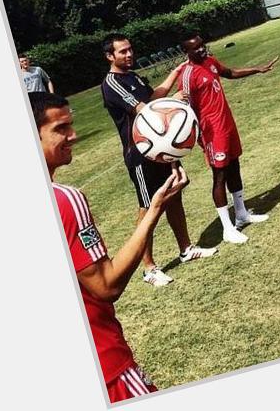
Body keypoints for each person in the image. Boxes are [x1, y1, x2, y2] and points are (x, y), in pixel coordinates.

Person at [32, 91, 189, 402]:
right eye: (60, 128)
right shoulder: (64, 200)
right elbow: (106, 285)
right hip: (106, 365)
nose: (73, 136)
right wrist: (155, 209)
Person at [101, 33, 216, 287]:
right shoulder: (112, 83)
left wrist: (175, 73)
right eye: (122, 52)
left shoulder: (132, 76)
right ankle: (149, 268)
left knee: (174, 196)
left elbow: (153, 97)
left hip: (161, 149)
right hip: (140, 154)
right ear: (110, 56)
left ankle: (186, 249)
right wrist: (171, 101)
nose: (129, 54)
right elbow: (145, 109)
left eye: (130, 49)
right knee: (147, 207)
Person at [177, 34, 278, 244]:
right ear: (186, 52)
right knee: (219, 176)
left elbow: (229, 72)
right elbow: (185, 109)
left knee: (234, 167)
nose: (202, 50)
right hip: (211, 131)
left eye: (202, 45)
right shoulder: (187, 75)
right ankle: (227, 228)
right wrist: (198, 137)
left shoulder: (210, 61)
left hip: (227, 123)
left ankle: (241, 214)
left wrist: (256, 69)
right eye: (195, 48)